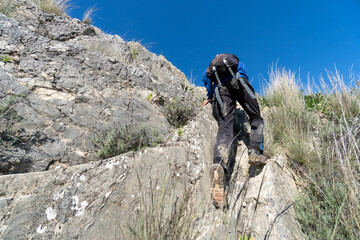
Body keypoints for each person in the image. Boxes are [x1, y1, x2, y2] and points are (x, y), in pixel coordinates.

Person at [202, 53, 267, 208]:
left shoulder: (211, 70)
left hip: (220, 89)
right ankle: (254, 151)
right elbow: (243, 73)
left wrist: (210, 96)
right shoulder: (238, 63)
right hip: (239, 81)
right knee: (256, 117)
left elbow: (205, 78)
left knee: (225, 126)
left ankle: (219, 165)